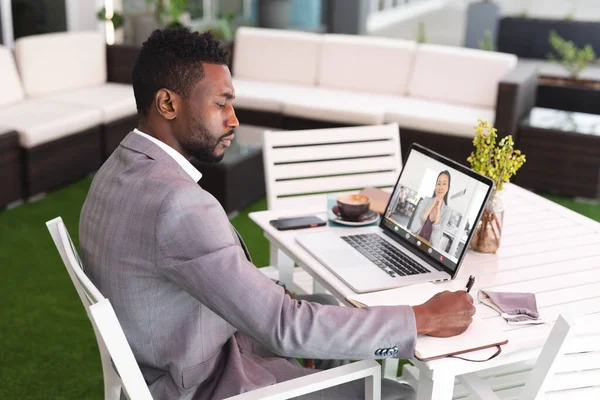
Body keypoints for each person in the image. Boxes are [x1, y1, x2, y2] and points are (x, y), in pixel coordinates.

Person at [79, 28, 475, 400]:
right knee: (399, 395)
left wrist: (266, 297)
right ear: (168, 103)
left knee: (323, 301)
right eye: (220, 104)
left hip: (171, 349)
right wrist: (421, 317)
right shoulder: (178, 204)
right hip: (206, 382)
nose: (233, 119)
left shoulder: (117, 168)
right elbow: (287, 328)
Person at [410, 171, 453, 249]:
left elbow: (435, 243)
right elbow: (413, 228)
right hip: (412, 243)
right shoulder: (426, 200)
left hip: (428, 251)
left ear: (448, 188)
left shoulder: (447, 211)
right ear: (435, 186)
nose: (440, 187)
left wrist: (438, 209)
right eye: (439, 183)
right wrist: (433, 205)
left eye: (444, 184)